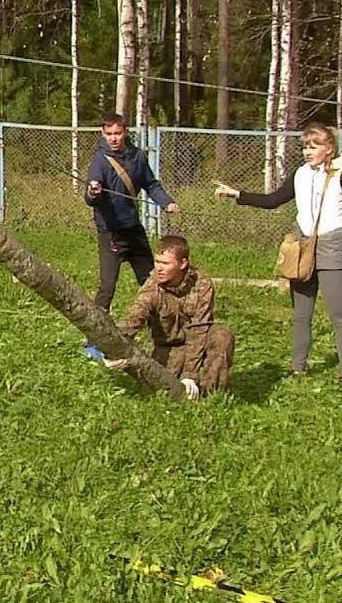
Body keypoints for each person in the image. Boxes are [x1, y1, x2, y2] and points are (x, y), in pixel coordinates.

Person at [215, 123, 342, 385]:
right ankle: (298, 367)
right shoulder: (300, 175)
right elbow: (274, 200)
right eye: (305, 146)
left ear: (329, 149)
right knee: (302, 314)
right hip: (303, 246)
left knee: (338, 313)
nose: (308, 151)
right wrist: (238, 194)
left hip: (333, 245)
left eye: (314, 146)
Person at [102, 236, 234, 399]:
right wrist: (114, 347)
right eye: (157, 262)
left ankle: (210, 394)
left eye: (165, 263)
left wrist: (190, 375)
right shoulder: (152, 288)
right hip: (168, 349)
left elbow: (200, 329)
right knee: (163, 390)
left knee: (221, 334)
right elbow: (134, 316)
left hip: (198, 344)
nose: (159, 269)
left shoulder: (202, 284)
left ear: (183, 263)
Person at [84, 113, 180, 313]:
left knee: (151, 281)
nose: (113, 138)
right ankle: (95, 337)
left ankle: (164, 324)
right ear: (103, 134)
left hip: (133, 230)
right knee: (107, 287)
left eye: (117, 133)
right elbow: (90, 198)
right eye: (109, 133)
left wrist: (166, 202)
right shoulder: (100, 161)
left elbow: (151, 185)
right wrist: (94, 191)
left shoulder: (137, 157)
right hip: (110, 233)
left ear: (125, 132)